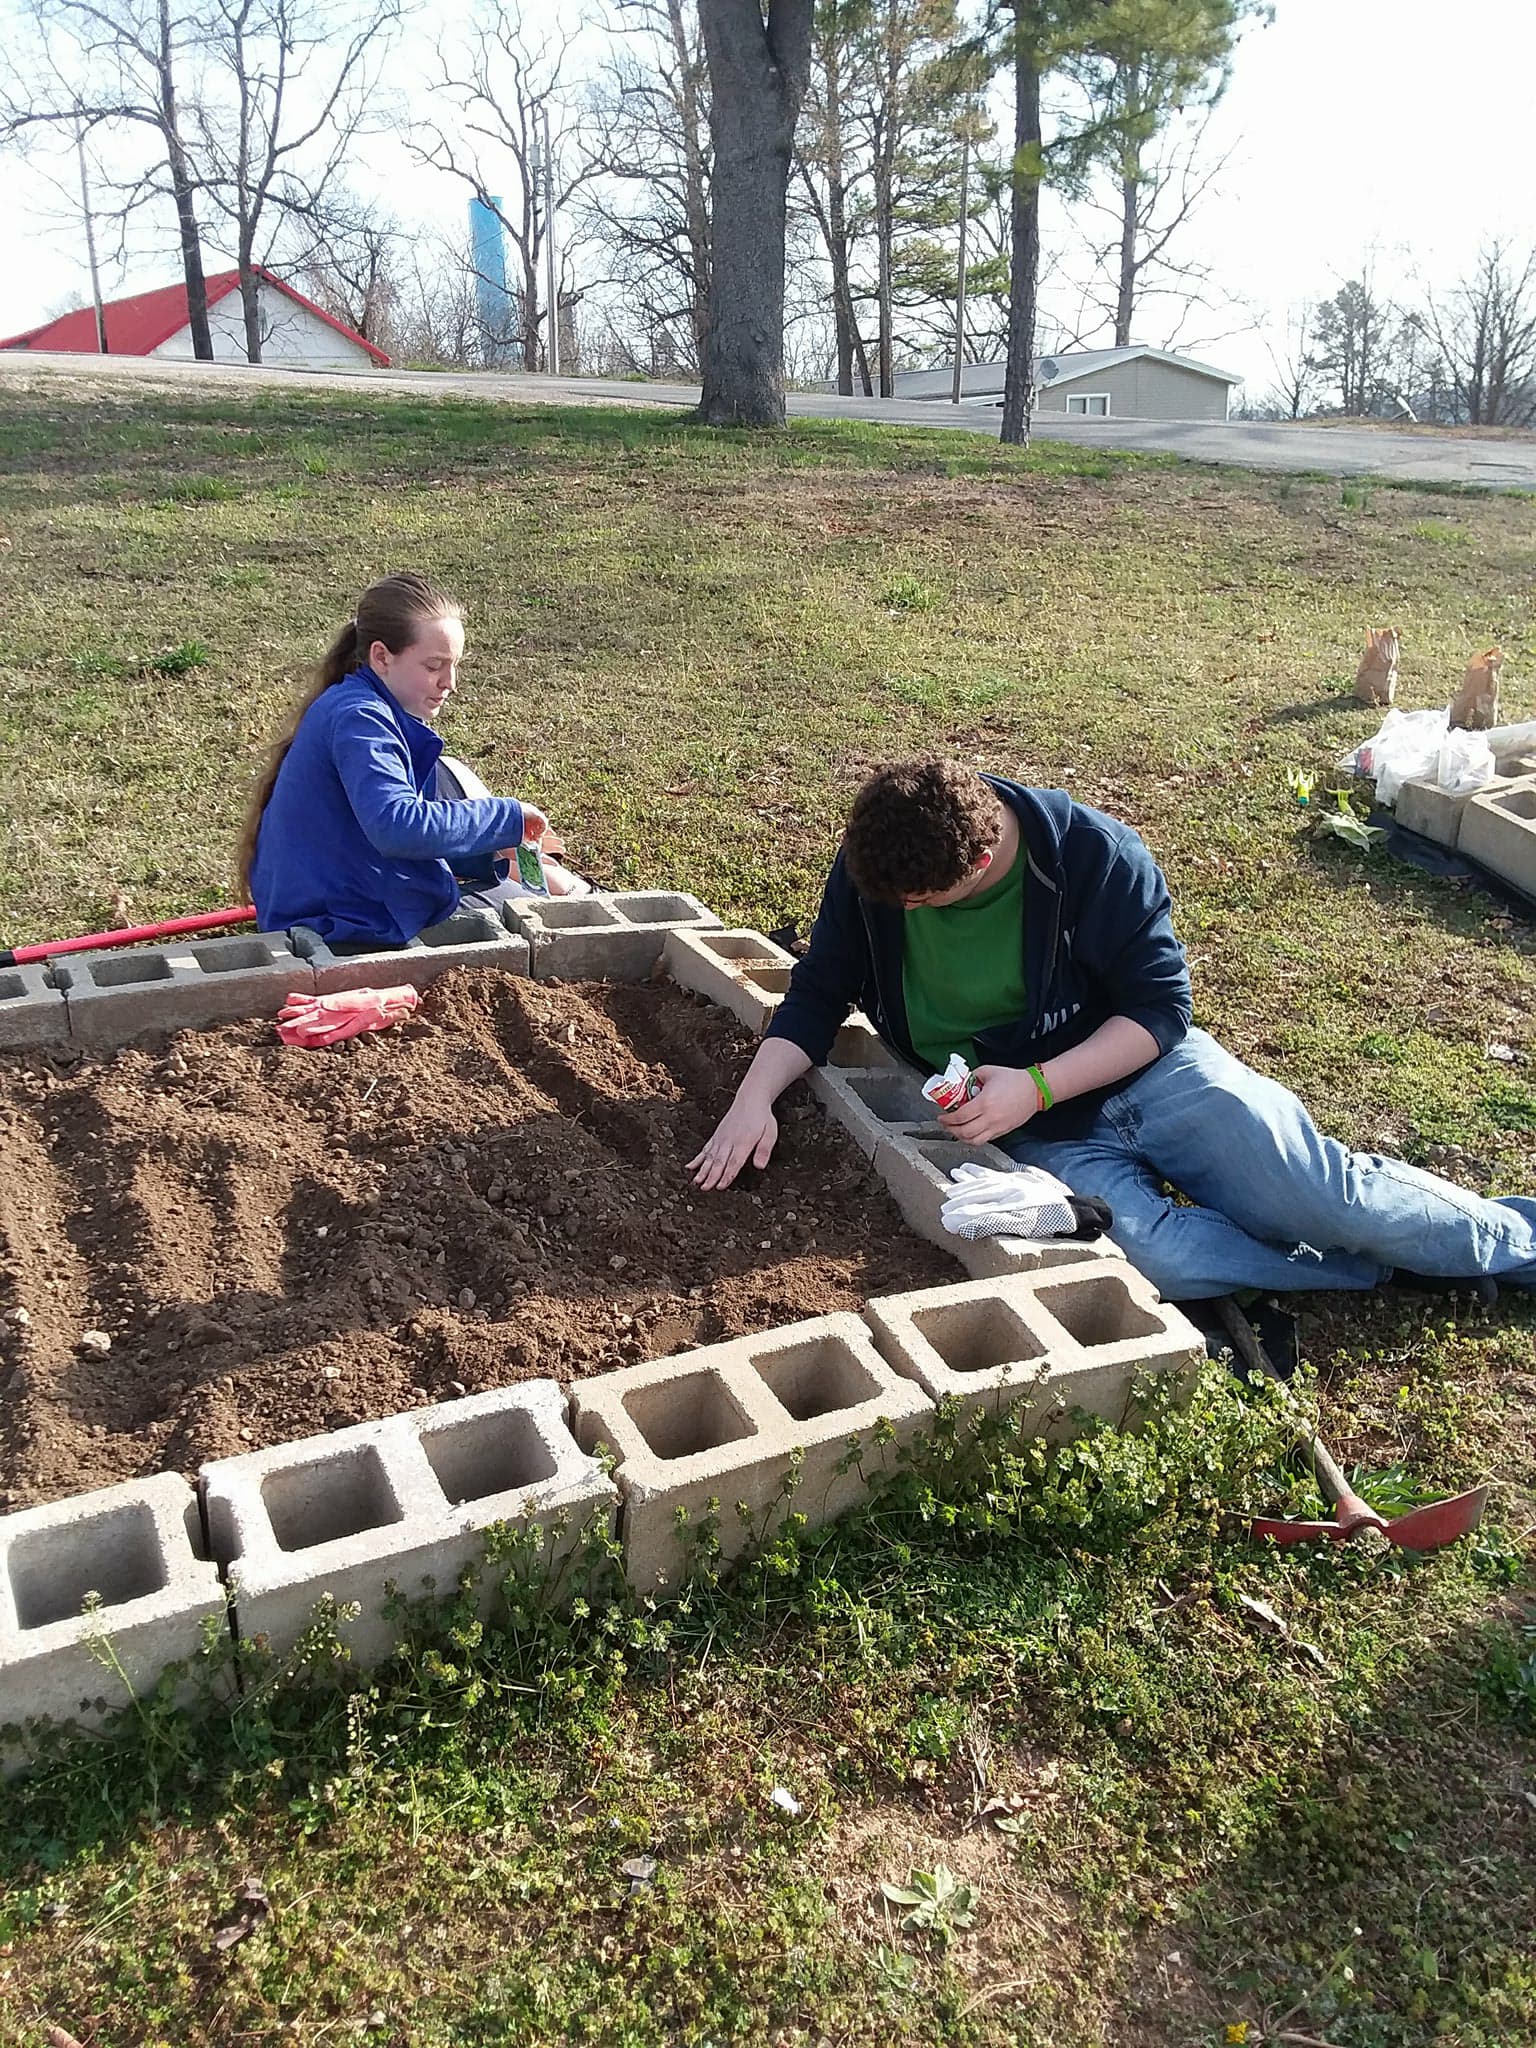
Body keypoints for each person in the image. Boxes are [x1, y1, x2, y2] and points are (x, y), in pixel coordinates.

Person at [689, 756, 1536, 1304]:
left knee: (1318, 1194)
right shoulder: (879, 871)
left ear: (979, 865)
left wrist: (1039, 1083)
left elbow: (1162, 1011)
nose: (903, 915)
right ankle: (1368, 1271)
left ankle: (1513, 1239)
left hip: (1145, 1075)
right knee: (1162, 1262)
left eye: (923, 905)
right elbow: (819, 991)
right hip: (1040, 1133)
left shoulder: (1092, 857)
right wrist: (753, 1098)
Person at [238, 571, 586, 948]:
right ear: (382, 657)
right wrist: (504, 818)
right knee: (539, 915)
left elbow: (376, 836)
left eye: (455, 665)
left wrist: (487, 849)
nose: (449, 682)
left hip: (335, 903)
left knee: (516, 888)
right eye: (433, 666)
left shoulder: (359, 706)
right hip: (337, 925)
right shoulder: (362, 720)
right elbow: (396, 826)